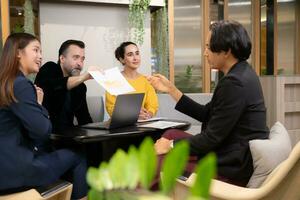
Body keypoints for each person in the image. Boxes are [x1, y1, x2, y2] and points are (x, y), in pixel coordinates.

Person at [148, 20, 269, 186]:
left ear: (226, 50)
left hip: (230, 167)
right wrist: (171, 90)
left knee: (158, 160)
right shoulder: (241, 73)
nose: (205, 53)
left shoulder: (235, 83)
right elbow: (206, 113)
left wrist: (170, 146)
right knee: (171, 134)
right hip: (228, 150)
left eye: (208, 46)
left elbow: (211, 138)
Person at [0, 33, 87, 200]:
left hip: (6, 167)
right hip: (16, 172)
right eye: (36, 50)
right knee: (77, 156)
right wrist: (40, 106)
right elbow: (42, 131)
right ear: (18, 53)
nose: (40, 56)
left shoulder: (6, 82)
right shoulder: (20, 84)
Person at [35, 39, 92, 131]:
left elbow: (84, 118)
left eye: (82, 59)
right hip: (46, 134)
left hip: (68, 136)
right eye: (75, 57)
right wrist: (83, 77)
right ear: (62, 58)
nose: (79, 63)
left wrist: (102, 128)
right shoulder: (50, 68)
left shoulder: (80, 87)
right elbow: (54, 86)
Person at [105, 41, 159, 120]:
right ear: (122, 59)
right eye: (130, 54)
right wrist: (134, 114)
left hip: (142, 124)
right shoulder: (113, 80)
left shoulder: (146, 81)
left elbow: (152, 105)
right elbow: (111, 109)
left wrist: (148, 114)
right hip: (120, 125)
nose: (135, 58)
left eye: (137, 53)